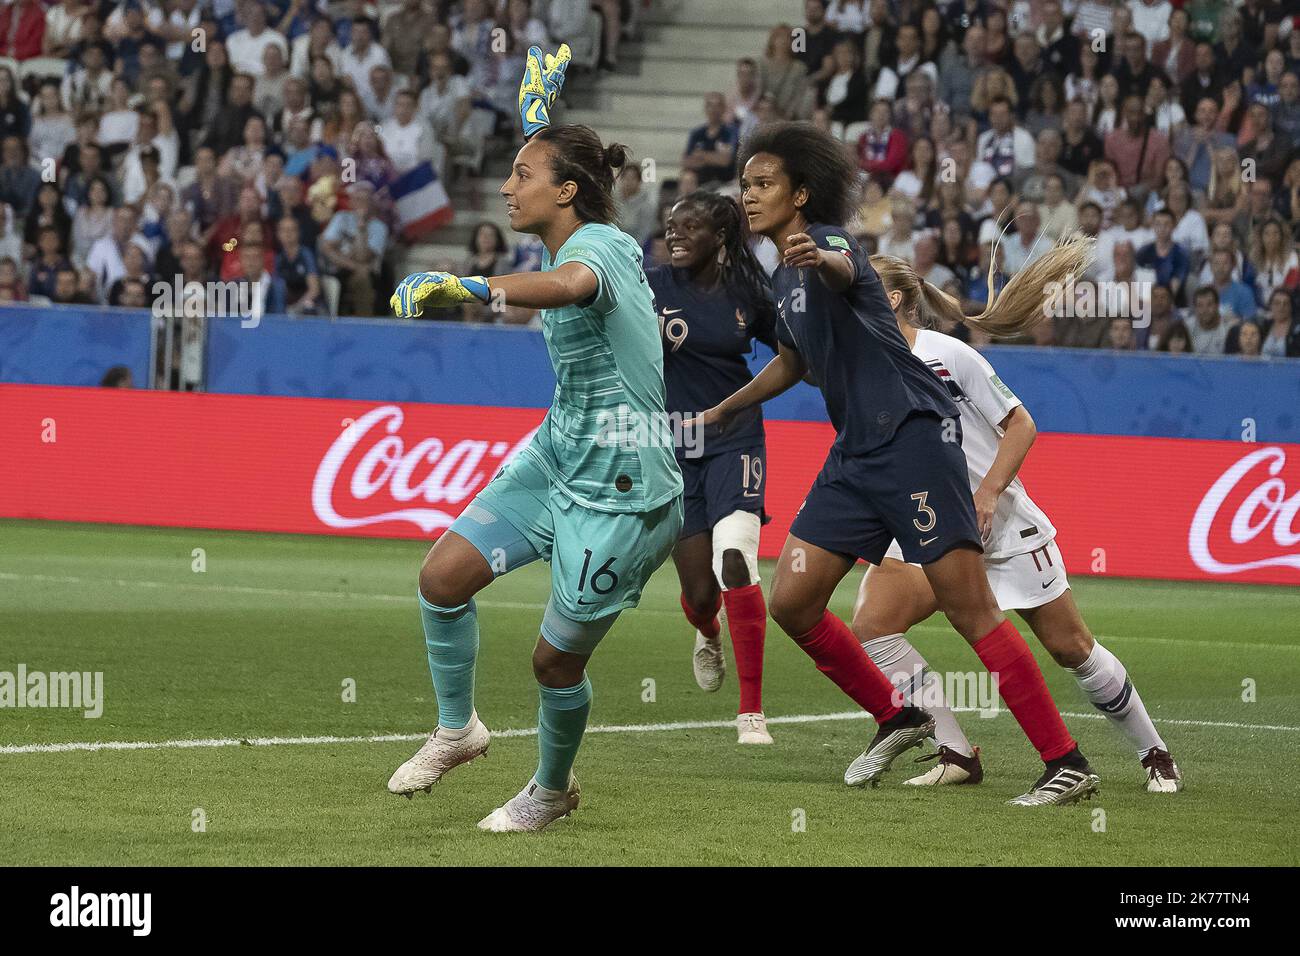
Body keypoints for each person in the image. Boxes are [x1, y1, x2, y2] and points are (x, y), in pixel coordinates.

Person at [698, 121, 1101, 805]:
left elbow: (843, 265)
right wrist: (721, 410)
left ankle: (1066, 761)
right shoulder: (781, 277)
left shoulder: (822, 241)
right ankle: (900, 714)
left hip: (913, 439)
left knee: (970, 609)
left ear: (800, 194)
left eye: (764, 183)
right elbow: (794, 363)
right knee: (792, 601)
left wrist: (817, 256)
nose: (750, 194)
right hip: (855, 452)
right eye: (746, 184)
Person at [385, 55, 683, 834]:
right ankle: (458, 731)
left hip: (626, 485)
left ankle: (550, 791)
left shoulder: (604, 249)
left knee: (554, 663)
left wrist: (474, 286)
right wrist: (540, 119)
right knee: (442, 578)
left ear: (568, 191)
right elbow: (558, 191)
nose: (508, 188)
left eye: (523, 175)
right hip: (558, 452)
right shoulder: (568, 222)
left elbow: (569, 285)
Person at [850, 251, 1182, 792]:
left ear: (890, 299)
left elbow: (1021, 424)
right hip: (929, 522)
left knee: (1071, 647)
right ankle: (956, 752)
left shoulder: (948, 354)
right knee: (873, 625)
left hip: (999, 525)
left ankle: (1154, 753)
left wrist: (987, 493)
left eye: (860, 287)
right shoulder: (864, 360)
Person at [647, 191, 778, 744]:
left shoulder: (750, 293)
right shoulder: (647, 286)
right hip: (672, 449)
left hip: (734, 438)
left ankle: (751, 712)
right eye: (670, 226)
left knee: (736, 558)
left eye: (688, 226)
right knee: (702, 593)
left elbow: (798, 355)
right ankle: (708, 631)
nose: (674, 234)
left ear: (719, 237)